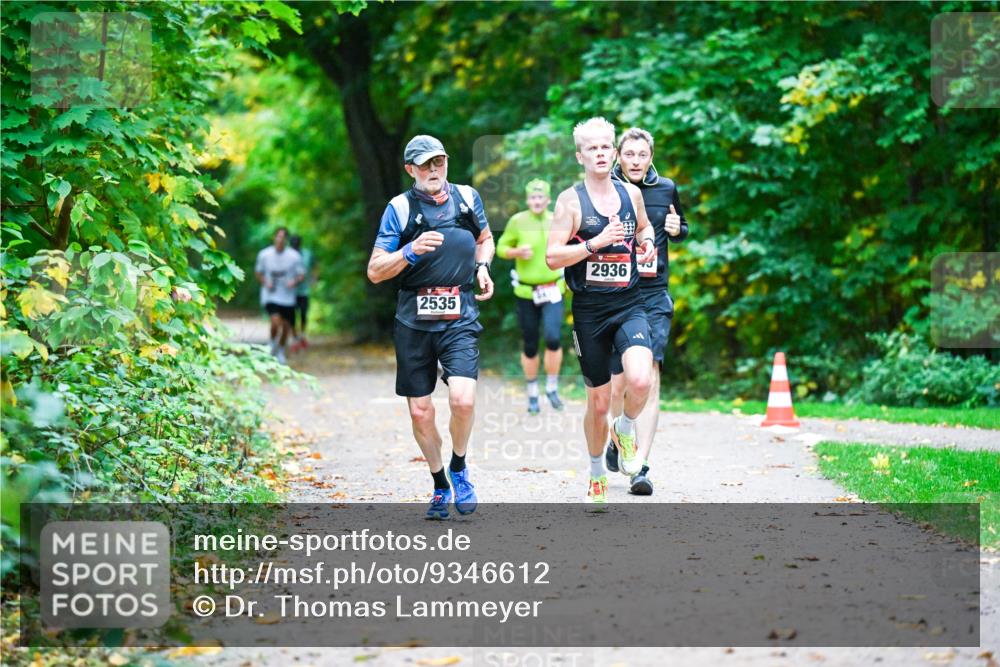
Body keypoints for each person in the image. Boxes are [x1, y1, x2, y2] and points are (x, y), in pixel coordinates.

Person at [366, 135, 495, 520]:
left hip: (460, 314)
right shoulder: (400, 209)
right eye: (424, 165)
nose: (433, 171)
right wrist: (409, 251)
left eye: (438, 162)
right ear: (411, 170)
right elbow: (375, 271)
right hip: (414, 320)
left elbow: (484, 239)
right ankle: (440, 483)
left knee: (463, 400)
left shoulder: (468, 198)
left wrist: (482, 266)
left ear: (447, 163)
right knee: (421, 412)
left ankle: (459, 465)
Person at [545, 117, 656, 511]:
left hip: (628, 303)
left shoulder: (631, 195)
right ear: (580, 156)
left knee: (641, 380)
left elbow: (643, 230)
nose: (600, 153)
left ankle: (625, 430)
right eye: (591, 148)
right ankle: (596, 473)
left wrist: (646, 245)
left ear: (613, 151)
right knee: (597, 403)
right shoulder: (569, 201)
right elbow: (552, 257)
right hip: (590, 311)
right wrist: (594, 243)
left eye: (606, 147)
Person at [605, 128, 689, 496]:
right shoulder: (601, 190)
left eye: (642, 154)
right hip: (613, 295)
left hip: (654, 295)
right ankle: (617, 437)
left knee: (650, 376)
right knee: (619, 382)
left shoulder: (666, 188)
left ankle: (640, 465)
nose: (636, 161)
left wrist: (677, 228)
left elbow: (680, 225)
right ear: (618, 157)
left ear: (650, 156)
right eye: (630, 154)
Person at [496, 179, 566, 415]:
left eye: (541, 197)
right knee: (530, 343)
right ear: (527, 200)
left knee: (554, 337)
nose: (537, 201)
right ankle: (533, 392)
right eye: (532, 198)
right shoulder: (518, 221)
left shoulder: (557, 219)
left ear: (548, 199)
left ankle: (553, 388)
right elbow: (500, 247)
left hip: (554, 288)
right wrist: (516, 252)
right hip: (526, 291)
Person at [255, 227, 304, 364]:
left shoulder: (294, 256)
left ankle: (281, 350)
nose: (280, 240)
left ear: (286, 240)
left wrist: (293, 282)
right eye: (278, 236)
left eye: (283, 237)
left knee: (287, 326)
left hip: (288, 296)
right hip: (271, 295)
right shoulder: (264, 255)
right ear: (274, 238)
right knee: (275, 322)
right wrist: (266, 282)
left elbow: (301, 275)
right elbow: (258, 273)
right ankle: (271, 345)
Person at [289, 235, 316, 352]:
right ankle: (295, 338)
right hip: (289, 292)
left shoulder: (307, 254)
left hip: (304, 290)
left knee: (304, 314)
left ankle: (302, 335)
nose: (295, 244)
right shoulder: (287, 254)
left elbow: (315, 267)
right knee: (292, 316)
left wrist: (314, 280)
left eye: (297, 242)